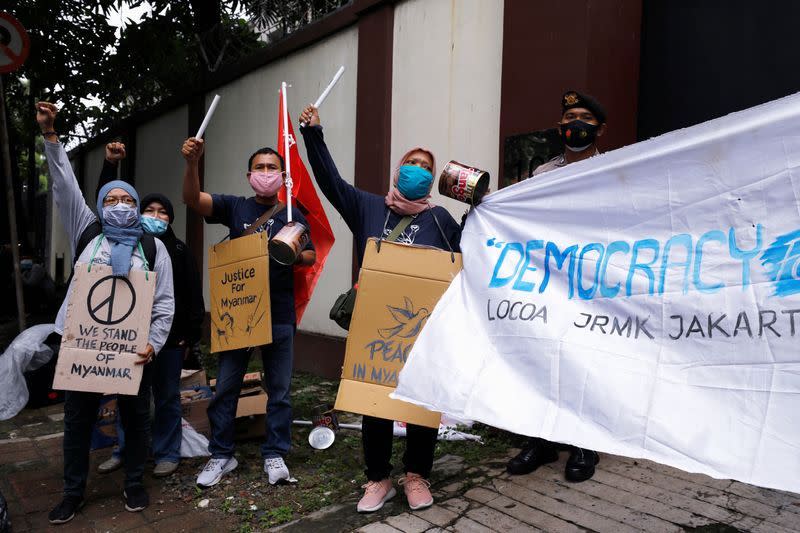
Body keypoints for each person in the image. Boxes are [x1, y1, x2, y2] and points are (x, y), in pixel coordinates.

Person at [298, 104, 461, 514]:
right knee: (377, 403)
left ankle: (417, 475)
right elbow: (330, 182)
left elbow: (465, 259)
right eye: (411, 162)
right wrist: (314, 136)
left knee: (421, 402)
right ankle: (378, 478)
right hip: (375, 332)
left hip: (423, 332)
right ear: (397, 170)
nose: (418, 169)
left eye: (425, 165)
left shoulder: (442, 220)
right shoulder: (369, 208)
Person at [36, 102, 175, 524]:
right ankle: (73, 491)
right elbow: (64, 187)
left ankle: (134, 483)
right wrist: (51, 137)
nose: (119, 204)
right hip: (84, 350)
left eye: (126, 199)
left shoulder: (153, 247)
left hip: (134, 352)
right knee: (77, 423)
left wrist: (153, 343)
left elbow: (164, 302)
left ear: (135, 207)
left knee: (135, 419)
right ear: (100, 205)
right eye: (111, 198)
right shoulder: (88, 232)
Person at [181, 135, 316, 488]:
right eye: (260, 167)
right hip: (237, 316)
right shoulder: (235, 208)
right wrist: (192, 164)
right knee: (226, 387)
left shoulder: (292, 214)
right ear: (249, 175)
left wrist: (287, 253)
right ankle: (221, 455)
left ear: (283, 176)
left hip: (280, 314)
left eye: (273, 168)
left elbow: (311, 256)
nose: (266, 173)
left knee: (280, 390)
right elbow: (192, 199)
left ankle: (275, 453)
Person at [506, 90, 606, 482]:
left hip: (593, 282)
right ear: (559, 127)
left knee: (585, 359)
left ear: (600, 128)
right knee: (544, 357)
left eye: (584, 117)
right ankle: (542, 440)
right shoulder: (542, 175)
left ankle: (583, 444)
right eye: (569, 117)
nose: (575, 124)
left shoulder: (617, 168)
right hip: (549, 281)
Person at [94, 142, 205, 478]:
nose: (155, 217)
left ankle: (167, 451)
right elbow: (104, 199)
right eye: (150, 210)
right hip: (131, 336)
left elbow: (190, 296)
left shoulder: (180, 250)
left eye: (163, 212)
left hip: (170, 341)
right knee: (127, 396)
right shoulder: (131, 245)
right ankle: (125, 450)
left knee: (168, 397)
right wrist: (110, 167)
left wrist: (189, 337)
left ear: (171, 218)